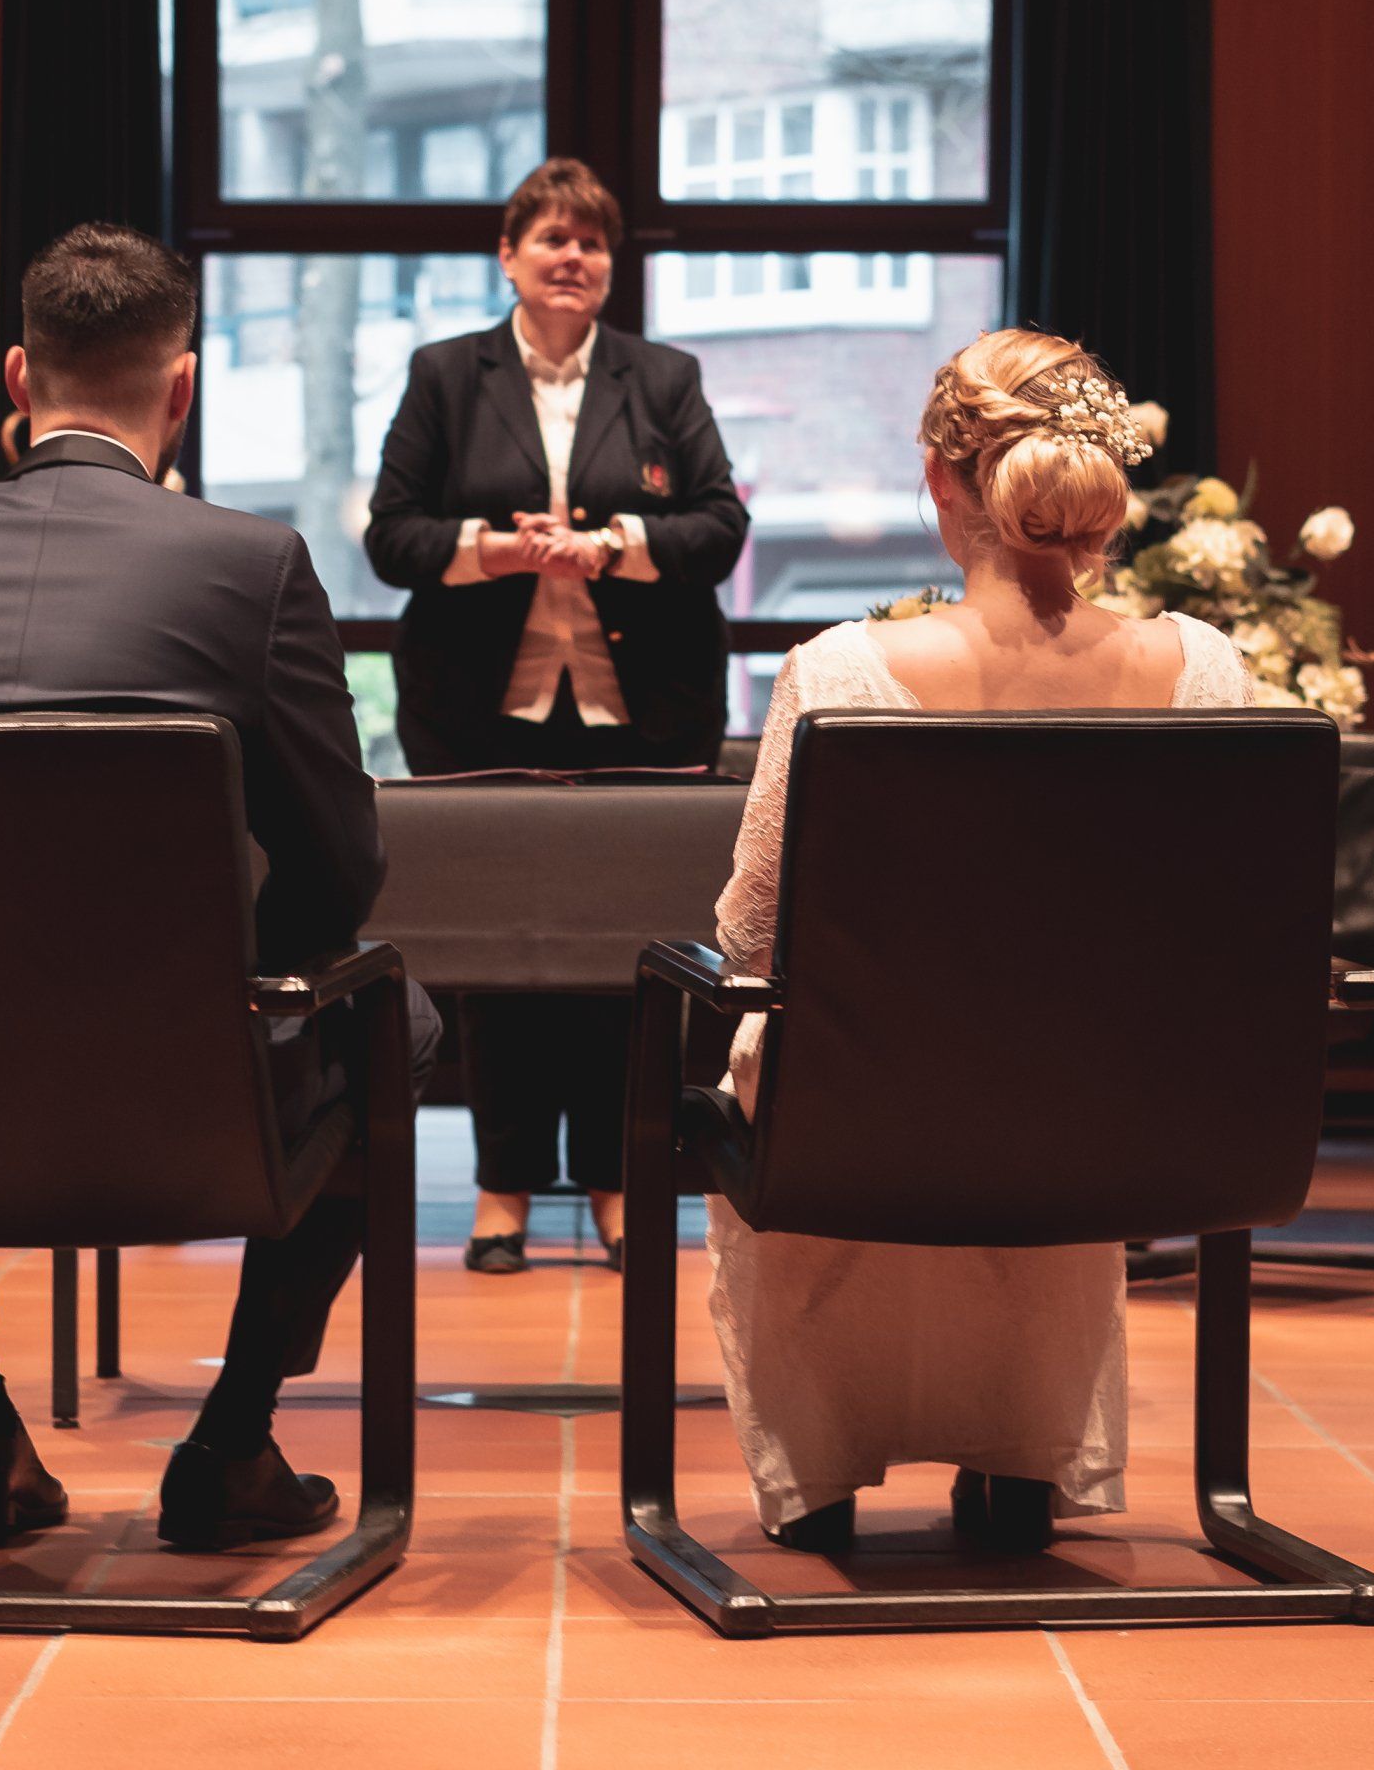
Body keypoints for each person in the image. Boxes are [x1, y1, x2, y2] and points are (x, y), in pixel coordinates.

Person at [0, 222, 441, 1553]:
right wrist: (226, 989)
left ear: (17, 376)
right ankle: (233, 1438)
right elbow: (343, 870)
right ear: (183, 389)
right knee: (401, 1020)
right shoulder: (251, 567)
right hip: (180, 1105)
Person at [706, 328, 1253, 1556]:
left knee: (813, 1048)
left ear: (942, 482)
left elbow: (749, 931)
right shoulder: (1207, 671)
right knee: (1037, 1071)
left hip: (865, 1125)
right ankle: (1020, 1461)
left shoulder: (841, 675)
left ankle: (820, 1471)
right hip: (1117, 1122)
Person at [365, 158, 748, 1274]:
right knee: (502, 954)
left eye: (591, 243)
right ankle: (505, 1187)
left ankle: (619, 1181)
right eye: (551, 239)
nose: (572, 258)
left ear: (610, 266)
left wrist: (613, 546)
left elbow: (720, 528)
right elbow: (391, 536)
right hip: (481, 708)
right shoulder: (446, 374)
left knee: (630, 948)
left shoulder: (664, 376)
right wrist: (493, 550)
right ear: (509, 257)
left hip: (645, 707)